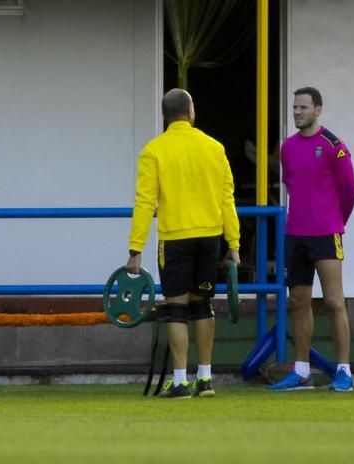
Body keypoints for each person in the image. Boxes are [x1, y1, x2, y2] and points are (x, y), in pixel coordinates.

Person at [126, 88, 241, 398]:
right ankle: (205, 379)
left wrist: (135, 250)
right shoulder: (214, 148)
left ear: (165, 116)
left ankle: (179, 381)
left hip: (174, 238)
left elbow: (144, 202)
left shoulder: (154, 150)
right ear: (192, 112)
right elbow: (226, 197)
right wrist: (234, 243)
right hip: (209, 237)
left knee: (176, 309)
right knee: (203, 306)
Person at [270, 86, 354, 392]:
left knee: (334, 301)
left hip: (326, 233)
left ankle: (344, 372)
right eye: (295, 107)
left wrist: (335, 223)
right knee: (298, 302)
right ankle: (302, 371)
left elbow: (350, 191)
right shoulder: (288, 147)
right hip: (295, 234)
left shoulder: (335, 146)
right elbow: (293, 187)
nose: (297, 112)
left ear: (318, 110)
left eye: (303, 108)